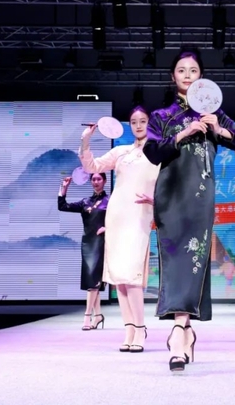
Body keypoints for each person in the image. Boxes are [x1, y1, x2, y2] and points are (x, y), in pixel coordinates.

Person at [143, 49, 235, 371]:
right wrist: (184, 133)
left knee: (194, 258)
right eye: (181, 70)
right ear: (173, 76)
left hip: (201, 197)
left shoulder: (214, 113)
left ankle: (179, 331)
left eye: (193, 70)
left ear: (201, 77)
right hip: (170, 196)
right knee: (175, 261)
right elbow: (152, 152)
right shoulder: (162, 116)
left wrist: (218, 130)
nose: (187, 75)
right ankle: (185, 330)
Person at [79, 106, 160, 353]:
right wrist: (86, 141)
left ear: (150, 123)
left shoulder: (158, 152)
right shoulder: (121, 151)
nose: (138, 125)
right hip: (117, 216)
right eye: (134, 122)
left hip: (139, 216)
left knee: (132, 277)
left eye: (143, 121)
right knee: (120, 279)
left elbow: (168, 184)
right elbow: (92, 166)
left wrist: (157, 201)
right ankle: (129, 330)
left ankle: (140, 328)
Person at [58, 172, 108, 331]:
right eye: (93, 179)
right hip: (87, 243)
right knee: (92, 280)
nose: (96, 181)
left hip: (102, 243)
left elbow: (122, 218)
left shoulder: (110, 201)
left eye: (99, 179)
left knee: (93, 281)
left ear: (105, 181)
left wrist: (108, 227)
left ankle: (87, 316)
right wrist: (64, 188)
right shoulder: (85, 202)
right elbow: (62, 206)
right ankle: (98, 315)